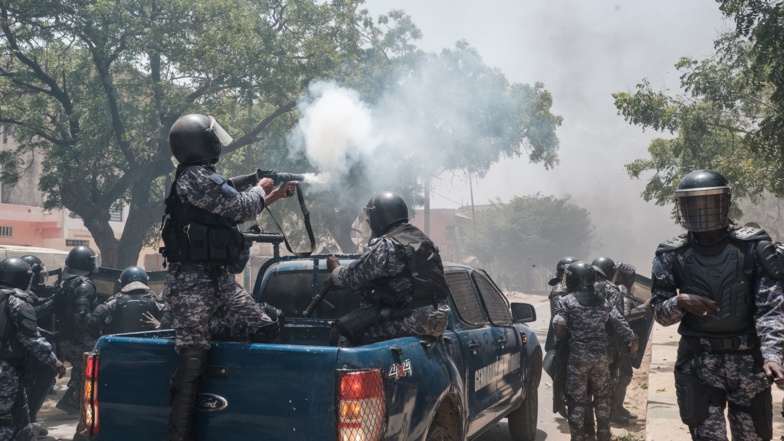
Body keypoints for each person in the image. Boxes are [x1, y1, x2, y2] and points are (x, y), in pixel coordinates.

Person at [159, 113, 295, 441]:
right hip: (191, 283)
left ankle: (246, 413)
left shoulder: (204, 179)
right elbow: (242, 208)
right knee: (193, 358)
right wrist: (261, 188)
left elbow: (231, 205)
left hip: (218, 280)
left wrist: (274, 194)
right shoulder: (193, 177)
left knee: (263, 328)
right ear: (202, 142)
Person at [651, 169, 784, 441]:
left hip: (749, 363)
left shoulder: (754, 248)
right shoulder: (671, 255)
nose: (701, 211)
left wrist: (773, 355)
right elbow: (660, 315)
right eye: (694, 204)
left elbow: (771, 309)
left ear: (724, 202)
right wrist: (680, 301)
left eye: (709, 203)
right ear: (682, 207)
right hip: (699, 362)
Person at [325, 191, 451, 346]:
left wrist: (335, 269)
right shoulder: (423, 240)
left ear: (378, 218)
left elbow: (351, 278)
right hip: (438, 316)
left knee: (341, 330)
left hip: (412, 318)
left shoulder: (387, 245)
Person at [553, 261, 638, 441]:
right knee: (602, 397)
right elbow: (619, 321)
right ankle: (604, 433)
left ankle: (578, 436)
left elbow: (559, 331)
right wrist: (632, 339)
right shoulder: (603, 300)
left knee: (577, 400)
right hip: (600, 357)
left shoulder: (566, 301)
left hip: (578, 359)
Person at [0, 257, 66, 441]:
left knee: (20, 416)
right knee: (7, 422)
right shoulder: (18, 302)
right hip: (5, 372)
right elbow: (32, 339)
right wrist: (54, 361)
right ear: (24, 279)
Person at [53, 245, 99, 415]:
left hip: (65, 337)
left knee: (80, 369)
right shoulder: (84, 285)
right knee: (91, 368)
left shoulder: (64, 283)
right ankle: (74, 402)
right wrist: (97, 329)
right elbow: (82, 315)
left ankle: (72, 402)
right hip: (80, 338)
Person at [592, 256, 636, 425]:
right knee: (615, 376)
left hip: (584, 342)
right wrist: (631, 337)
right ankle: (611, 413)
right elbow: (617, 316)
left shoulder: (583, 286)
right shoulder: (612, 289)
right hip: (609, 340)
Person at [18, 255, 57, 436]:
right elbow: (30, 316)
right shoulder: (15, 297)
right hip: (16, 353)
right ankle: (27, 420)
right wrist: (53, 303)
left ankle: (27, 420)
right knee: (43, 372)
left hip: (19, 351)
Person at [87, 266, 171, 336]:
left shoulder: (112, 303)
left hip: (117, 347)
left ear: (122, 283)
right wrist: (158, 326)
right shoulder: (156, 302)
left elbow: (92, 324)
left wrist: (102, 335)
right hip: (148, 347)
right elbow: (170, 327)